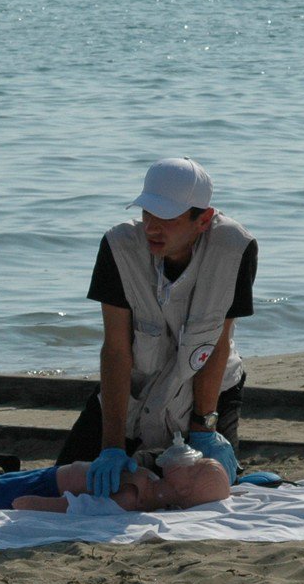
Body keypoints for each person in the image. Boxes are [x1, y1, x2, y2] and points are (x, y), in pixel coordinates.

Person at [56, 158, 257, 495]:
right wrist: (112, 445)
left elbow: (219, 342)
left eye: (167, 219)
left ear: (203, 219)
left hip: (209, 387)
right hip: (135, 387)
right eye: (148, 214)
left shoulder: (235, 249)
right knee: (66, 484)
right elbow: (116, 350)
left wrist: (203, 426)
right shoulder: (118, 248)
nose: (151, 228)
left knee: (207, 491)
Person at [0, 453, 231, 514]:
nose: (189, 460)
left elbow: (84, 506)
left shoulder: (136, 498)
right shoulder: (153, 477)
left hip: (48, 487)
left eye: (193, 468)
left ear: (184, 490)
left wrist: (38, 504)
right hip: (52, 473)